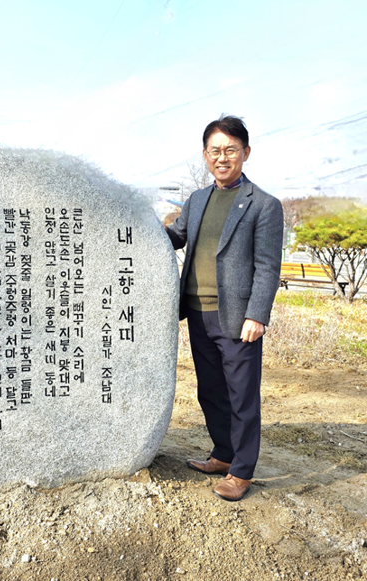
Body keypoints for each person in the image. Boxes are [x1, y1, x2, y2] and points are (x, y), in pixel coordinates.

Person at [165, 115, 284, 501]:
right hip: (198, 313)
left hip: (237, 318)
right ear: (204, 155)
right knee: (210, 391)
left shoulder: (264, 205)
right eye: (215, 150)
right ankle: (222, 453)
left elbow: (267, 266)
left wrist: (257, 315)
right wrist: (136, 229)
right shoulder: (198, 199)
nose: (222, 157)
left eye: (230, 150)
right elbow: (176, 237)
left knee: (241, 396)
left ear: (245, 153)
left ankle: (242, 471)